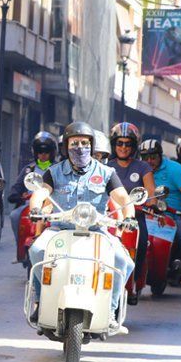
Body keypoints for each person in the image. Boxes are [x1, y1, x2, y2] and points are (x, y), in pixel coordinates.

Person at [27, 121, 137, 332]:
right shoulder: (54, 171)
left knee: (123, 261)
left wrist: (129, 216)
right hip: (60, 229)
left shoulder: (106, 172)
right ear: (66, 146)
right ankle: (41, 303)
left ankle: (112, 311)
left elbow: (122, 198)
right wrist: (35, 208)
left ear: (92, 145)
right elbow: (40, 192)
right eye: (74, 143)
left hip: (97, 230)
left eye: (85, 143)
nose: (80, 147)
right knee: (37, 251)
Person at [139, 138, 181, 298]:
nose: (149, 161)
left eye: (153, 157)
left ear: (160, 156)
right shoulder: (139, 168)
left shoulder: (174, 169)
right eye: (145, 157)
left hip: (176, 215)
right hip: (147, 214)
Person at [107, 122, 155, 283]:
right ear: (114, 145)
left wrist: (150, 202)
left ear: (134, 146)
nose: (123, 147)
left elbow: (151, 194)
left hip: (135, 216)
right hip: (110, 216)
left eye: (128, 144)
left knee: (142, 244)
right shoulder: (106, 167)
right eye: (119, 143)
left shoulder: (143, 167)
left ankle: (135, 280)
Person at [9, 131, 58, 246]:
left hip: (52, 206)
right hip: (29, 205)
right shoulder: (28, 169)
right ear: (35, 153)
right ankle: (20, 246)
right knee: (14, 215)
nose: (43, 155)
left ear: (52, 153)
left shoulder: (59, 169)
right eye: (40, 152)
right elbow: (17, 187)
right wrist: (17, 195)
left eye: (46, 151)